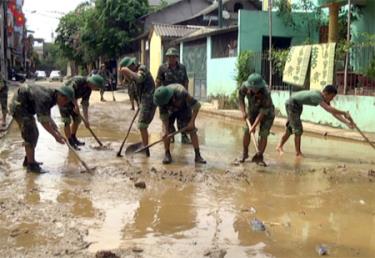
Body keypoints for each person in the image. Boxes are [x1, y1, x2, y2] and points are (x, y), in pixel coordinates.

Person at [10, 84, 74, 173]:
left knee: (35, 133)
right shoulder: (45, 98)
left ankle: (28, 160)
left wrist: (52, 123)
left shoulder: (52, 97)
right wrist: (56, 136)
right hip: (19, 106)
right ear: (61, 95)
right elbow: (43, 121)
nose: (65, 103)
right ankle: (31, 166)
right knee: (30, 132)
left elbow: (46, 112)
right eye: (65, 100)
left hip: (26, 107)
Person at [276, 85, 355, 157]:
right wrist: (344, 112)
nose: (332, 99)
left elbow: (333, 112)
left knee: (290, 128)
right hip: (292, 104)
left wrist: (346, 122)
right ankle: (298, 153)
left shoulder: (323, 98)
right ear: (326, 93)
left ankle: (279, 146)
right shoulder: (317, 96)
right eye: (332, 97)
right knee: (298, 129)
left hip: (298, 105)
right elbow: (328, 109)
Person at [153, 84, 206, 164]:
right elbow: (164, 118)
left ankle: (198, 155)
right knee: (166, 133)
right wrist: (165, 130)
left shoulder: (181, 92)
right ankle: (167, 154)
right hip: (170, 112)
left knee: (192, 130)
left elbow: (197, 105)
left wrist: (192, 122)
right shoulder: (161, 101)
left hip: (184, 108)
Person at [119, 57, 156, 157]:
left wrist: (126, 70)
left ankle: (145, 147)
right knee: (142, 125)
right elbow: (131, 81)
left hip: (149, 99)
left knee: (142, 125)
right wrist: (125, 74)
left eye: (128, 69)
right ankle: (145, 145)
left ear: (131, 65)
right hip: (143, 100)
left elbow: (139, 78)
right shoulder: (133, 73)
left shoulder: (142, 68)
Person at [59, 75, 105, 150]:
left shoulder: (88, 90)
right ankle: (70, 142)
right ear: (93, 83)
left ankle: (73, 138)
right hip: (63, 98)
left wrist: (86, 120)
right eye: (97, 87)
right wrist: (76, 105)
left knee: (77, 119)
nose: (96, 89)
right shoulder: (79, 80)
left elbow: (85, 104)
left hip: (73, 100)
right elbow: (70, 91)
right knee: (66, 121)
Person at [238, 73, 275, 166]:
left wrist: (254, 126)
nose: (253, 90)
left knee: (263, 133)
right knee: (247, 131)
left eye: (255, 88)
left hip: (267, 113)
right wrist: (243, 112)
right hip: (252, 110)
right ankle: (245, 153)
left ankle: (259, 157)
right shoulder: (244, 87)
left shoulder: (266, 92)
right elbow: (240, 98)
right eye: (251, 88)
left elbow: (262, 113)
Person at [156, 47, 191, 144]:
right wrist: (159, 96)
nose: (171, 59)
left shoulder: (182, 67)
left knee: (182, 118)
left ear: (176, 57)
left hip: (180, 96)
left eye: (173, 57)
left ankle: (184, 136)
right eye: (169, 57)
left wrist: (186, 94)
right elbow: (158, 82)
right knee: (169, 119)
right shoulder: (162, 68)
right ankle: (171, 135)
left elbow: (186, 81)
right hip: (168, 98)